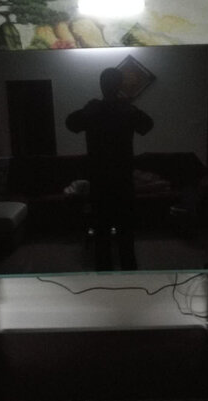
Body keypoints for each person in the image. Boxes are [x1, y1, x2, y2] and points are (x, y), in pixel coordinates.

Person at [66, 67, 153, 270]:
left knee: (102, 236)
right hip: (123, 180)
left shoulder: (94, 110)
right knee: (126, 235)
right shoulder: (126, 110)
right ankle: (129, 276)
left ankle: (104, 275)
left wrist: (87, 110)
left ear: (101, 85)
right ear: (120, 85)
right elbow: (147, 126)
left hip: (99, 180)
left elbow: (70, 124)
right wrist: (131, 108)